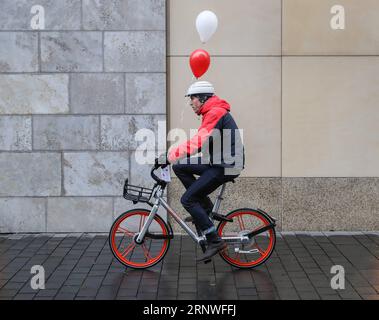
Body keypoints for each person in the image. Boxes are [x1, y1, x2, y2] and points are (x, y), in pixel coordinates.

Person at [159, 81, 245, 262]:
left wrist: (169, 155)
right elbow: (200, 143)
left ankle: (214, 240)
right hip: (217, 161)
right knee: (180, 166)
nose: (191, 103)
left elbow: (199, 142)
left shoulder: (215, 112)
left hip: (226, 165)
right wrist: (173, 157)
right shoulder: (211, 112)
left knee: (187, 199)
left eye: (193, 99)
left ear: (203, 98)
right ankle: (204, 208)